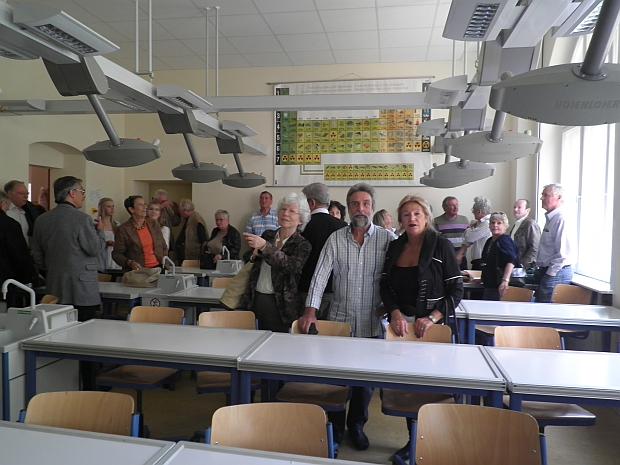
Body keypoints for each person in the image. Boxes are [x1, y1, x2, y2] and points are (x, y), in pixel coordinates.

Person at [298, 183, 393, 451]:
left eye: (365, 204)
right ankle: (336, 427)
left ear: (372, 207)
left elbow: (397, 277)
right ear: (348, 208)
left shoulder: (387, 239)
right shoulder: (336, 238)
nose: (360, 209)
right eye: (355, 204)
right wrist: (310, 311)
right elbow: (320, 276)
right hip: (340, 322)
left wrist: (393, 307)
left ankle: (357, 425)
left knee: (365, 382)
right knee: (337, 379)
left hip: (372, 322)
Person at [379, 195, 463, 463]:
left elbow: (456, 290)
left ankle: (435, 443)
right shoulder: (395, 246)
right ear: (400, 220)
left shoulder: (441, 245)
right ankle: (413, 441)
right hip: (402, 327)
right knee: (408, 388)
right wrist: (394, 312)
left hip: (432, 327)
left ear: (426, 217)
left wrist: (433, 317)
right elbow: (384, 285)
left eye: (417, 213)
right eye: (406, 215)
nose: (412, 218)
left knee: (432, 387)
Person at [31, 176, 105, 322]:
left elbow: (37, 255)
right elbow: (94, 249)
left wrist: (51, 267)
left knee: (58, 327)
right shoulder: (82, 219)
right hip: (82, 288)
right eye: (82, 192)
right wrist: (100, 232)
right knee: (85, 328)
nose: (83, 196)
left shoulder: (41, 219)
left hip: (54, 284)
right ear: (72, 193)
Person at [241, 193, 311, 333]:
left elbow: (291, 266)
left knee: (278, 343)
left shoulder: (303, 244)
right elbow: (250, 258)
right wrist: (253, 255)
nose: (285, 213)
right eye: (283, 209)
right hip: (255, 297)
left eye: (292, 211)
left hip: (281, 305)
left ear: (301, 219)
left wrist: (265, 247)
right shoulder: (268, 235)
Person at [299, 183, 347, 311]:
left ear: (311, 203)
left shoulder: (302, 226)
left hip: (306, 290)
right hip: (336, 290)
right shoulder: (343, 227)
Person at [535, 184, 575, 303]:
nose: (541, 198)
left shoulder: (561, 219)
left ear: (559, 198)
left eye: (545, 195)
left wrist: (550, 274)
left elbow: (563, 254)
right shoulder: (551, 218)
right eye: (542, 195)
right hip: (549, 270)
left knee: (547, 310)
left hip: (556, 272)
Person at [0, 191, 36, 307]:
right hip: (7, 281)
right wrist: (29, 278)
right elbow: (19, 256)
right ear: (2, 204)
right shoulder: (9, 225)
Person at [112, 196, 167, 271]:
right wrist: (130, 263)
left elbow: (163, 246)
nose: (145, 207)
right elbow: (117, 254)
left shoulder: (154, 224)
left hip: (159, 268)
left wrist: (164, 261)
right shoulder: (123, 229)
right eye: (140, 205)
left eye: (145, 204)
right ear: (131, 209)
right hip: (138, 271)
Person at [481, 212, 520, 301]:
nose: (495, 225)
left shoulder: (504, 240)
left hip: (500, 286)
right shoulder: (489, 241)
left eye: (499, 223)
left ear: (505, 226)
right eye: (492, 222)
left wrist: (505, 280)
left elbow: (511, 260)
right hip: (490, 284)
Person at [456, 196, 492, 270]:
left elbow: (469, 237)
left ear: (479, 211)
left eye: (473, 210)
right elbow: (468, 240)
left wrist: (470, 228)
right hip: (480, 261)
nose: (472, 212)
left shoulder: (486, 223)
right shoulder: (480, 223)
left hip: (482, 262)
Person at [3, 180, 44, 244]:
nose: (26, 196)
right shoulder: (4, 212)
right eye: (21, 193)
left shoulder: (30, 210)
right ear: (9, 194)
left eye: (27, 193)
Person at [433, 196, 469, 268]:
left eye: (457, 205)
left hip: (461, 258)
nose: (456, 207)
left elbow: (468, 239)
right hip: (444, 258)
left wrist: (460, 254)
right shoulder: (436, 221)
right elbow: (435, 242)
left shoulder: (464, 220)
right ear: (444, 208)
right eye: (452, 205)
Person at [510, 198, 541, 269]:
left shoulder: (531, 224)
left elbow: (535, 248)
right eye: (514, 207)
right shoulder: (516, 224)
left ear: (527, 210)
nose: (515, 209)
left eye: (519, 207)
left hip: (524, 268)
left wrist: (522, 265)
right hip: (514, 266)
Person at [174, 199, 207, 264]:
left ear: (185, 211)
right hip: (183, 255)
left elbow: (203, 240)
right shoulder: (185, 219)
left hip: (193, 256)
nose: (180, 213)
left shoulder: (196, 220)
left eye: (180, 211)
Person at [96, 197, 121, 270]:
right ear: (102, 208)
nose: (112, 209)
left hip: (114, 256)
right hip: (102, 256)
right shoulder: (96, 224)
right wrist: (105, 243)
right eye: (109, 206)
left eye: (113, 206)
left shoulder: (117, 224)